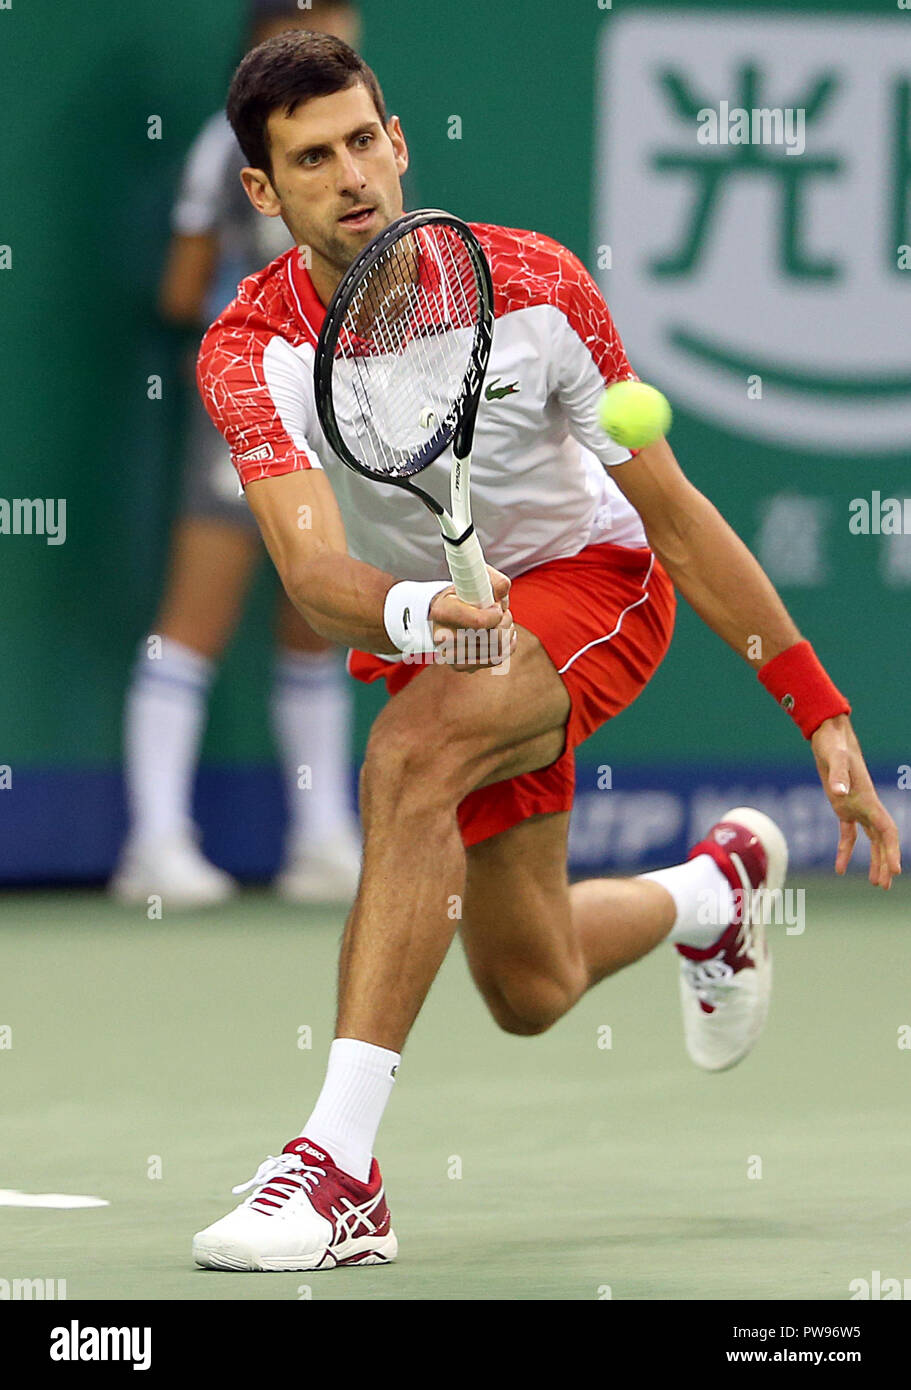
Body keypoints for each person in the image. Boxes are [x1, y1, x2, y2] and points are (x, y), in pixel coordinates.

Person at [189, 30, 901, 1270]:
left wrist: (815, 704)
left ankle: (338, 1173)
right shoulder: (249, 350)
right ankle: (712, 892)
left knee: (406, 761)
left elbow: (672, 516)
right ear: (265, 191)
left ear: (399, 142)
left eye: (365, 139)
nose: (351, 173)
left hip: (592, 587)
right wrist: (421, 617)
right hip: (439, 627)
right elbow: (311, 574)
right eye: (312, 158)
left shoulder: (533, 287)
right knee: (530, 985)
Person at [110, 1, 364, 909]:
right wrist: (247, 324)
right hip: (248, 397)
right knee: (196, 614)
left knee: (321, 614)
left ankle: (324, 841)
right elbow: (185, 290)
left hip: (337, 401)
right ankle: (156, 844)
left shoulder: (349, 144)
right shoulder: (226, 150)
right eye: (327, 30)